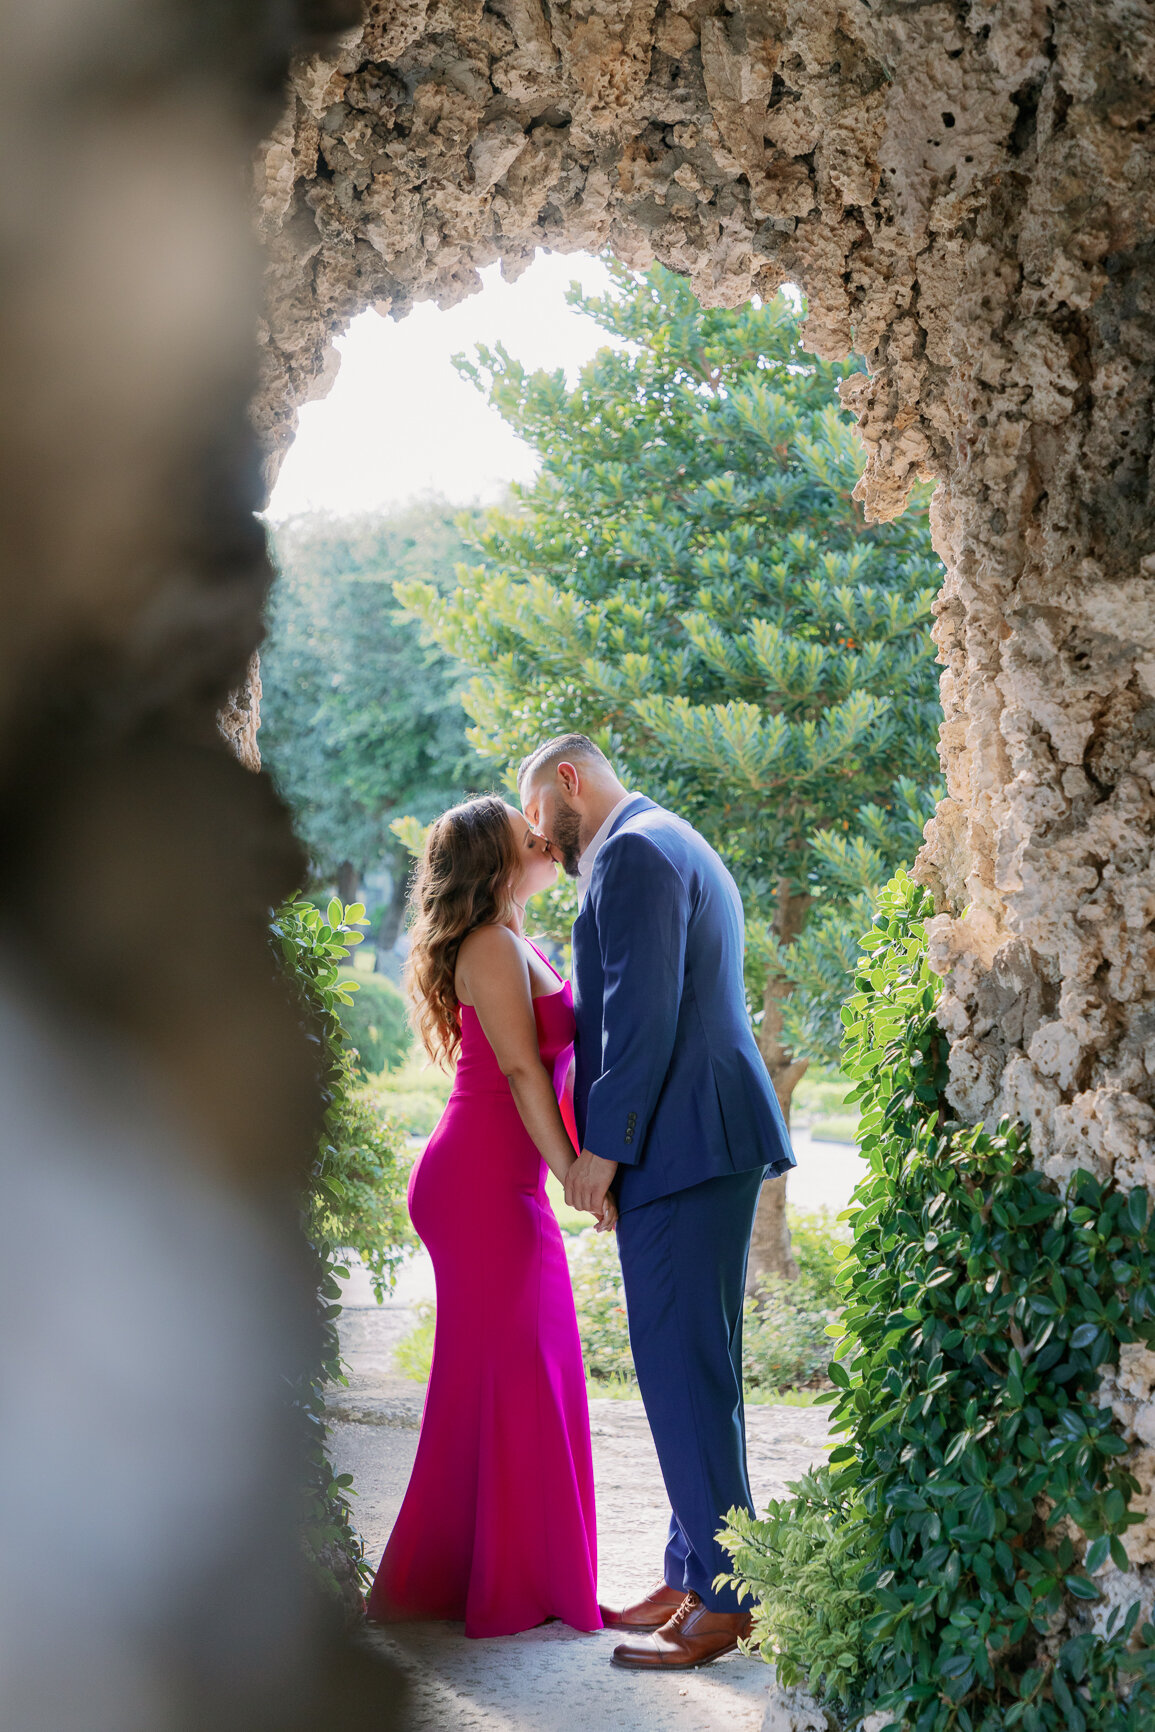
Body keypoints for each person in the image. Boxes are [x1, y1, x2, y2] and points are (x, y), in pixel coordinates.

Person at [519, 734, 796, 1671]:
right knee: (694, 1365)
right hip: (700, 1137)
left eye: (536, 818)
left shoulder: (633, 851)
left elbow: (639, 1013)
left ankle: (725, 1599)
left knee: (682, 1369)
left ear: (569, 780)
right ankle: (695, 1568)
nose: (539, 842)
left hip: (681, 1145)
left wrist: (600, 1152)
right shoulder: (665, 835)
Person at [365, 795, 610, 1639]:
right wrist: (574, 1171)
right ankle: (500, 1580)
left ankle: (507, 1572)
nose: (544, 840)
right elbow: (517, 1071)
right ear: (495, 863)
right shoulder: (491, 946)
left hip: (499, 1184)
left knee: (519, 1372)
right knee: (515, 1373)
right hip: (479, 1187)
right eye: (525, 835)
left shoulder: (516, 940)